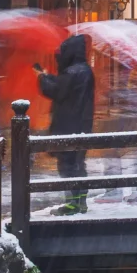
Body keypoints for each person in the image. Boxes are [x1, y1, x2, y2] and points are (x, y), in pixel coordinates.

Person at [34, 35, 96, 213]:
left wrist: (41, 78)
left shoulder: (73, 72)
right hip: (80, 124)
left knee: (67, 164)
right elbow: (65, 86)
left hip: (69, 124)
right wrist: (48, 76)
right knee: (77, 163)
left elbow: (57, 91)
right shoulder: (83, 70)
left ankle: (73, 203)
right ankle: (79, 201)